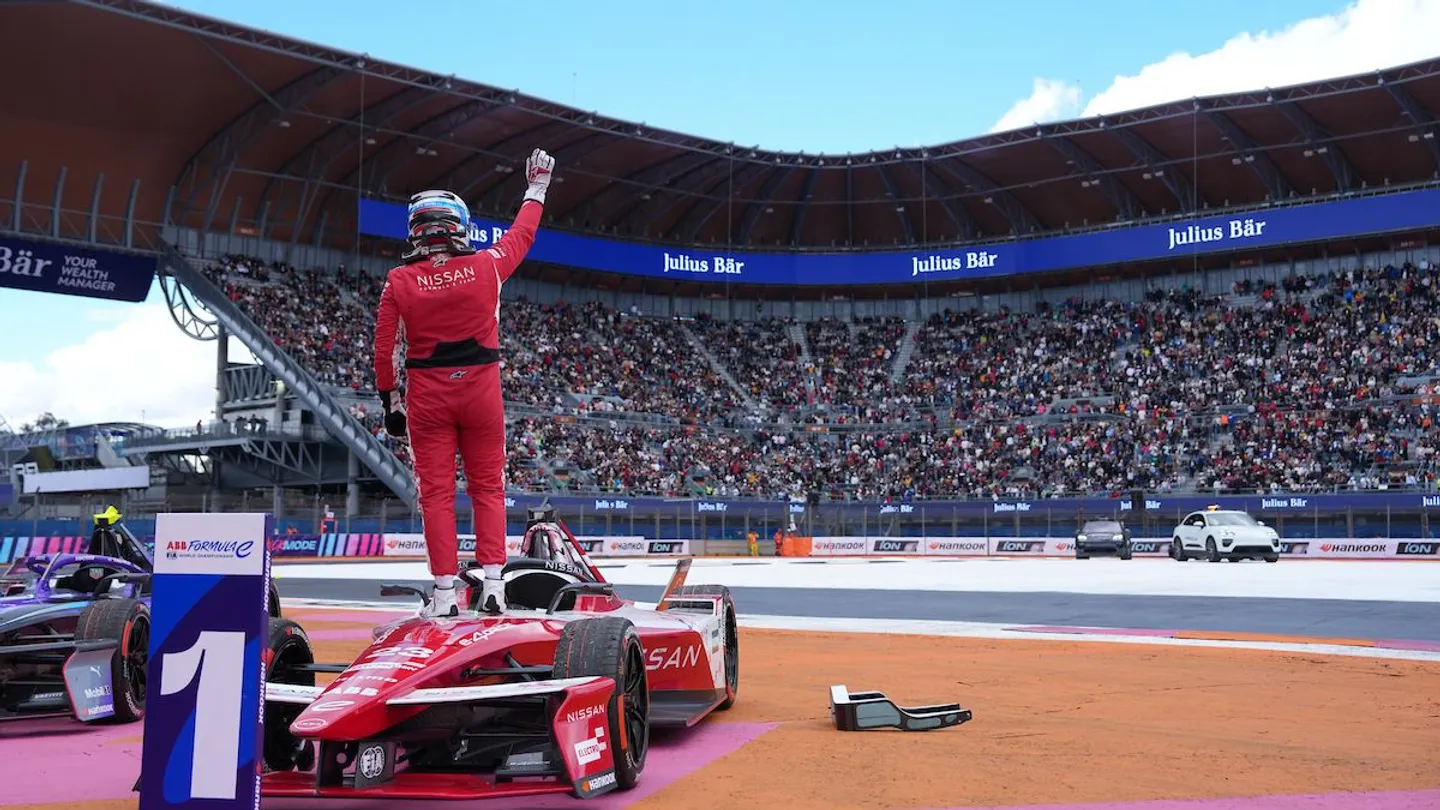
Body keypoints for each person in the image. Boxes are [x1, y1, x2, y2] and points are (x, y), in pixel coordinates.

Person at [373, 148, 555, 618]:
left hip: (427, 398)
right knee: (488, 489)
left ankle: (442, 594)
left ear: (415, 229)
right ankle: (493, 588)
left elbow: (384, 348)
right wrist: (536, 187)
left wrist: (390, 403)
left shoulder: (398, 279)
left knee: (435, 494)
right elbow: (523, 234)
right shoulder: (487, 266)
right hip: (481, 392)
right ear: (459, 225)